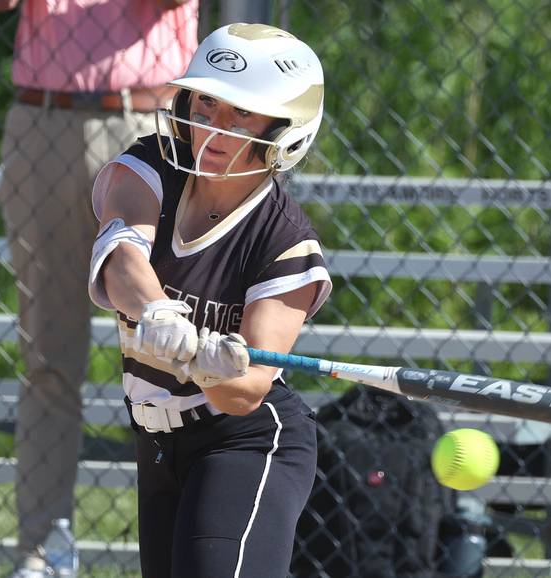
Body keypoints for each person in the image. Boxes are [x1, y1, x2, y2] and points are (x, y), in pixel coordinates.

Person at [88, 22, 331, 577]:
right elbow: (124, 254)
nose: (213, 128)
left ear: (285, 129)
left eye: (240, 114)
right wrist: (158, 311)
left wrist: (209, 362)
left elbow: (243, 394)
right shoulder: (148, 167)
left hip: (245, 443)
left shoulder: (286, 242)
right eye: (206, 102)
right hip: (155, 440)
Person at [0, 0, 198, 575]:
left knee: (173, 346)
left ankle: (194, 536)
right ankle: (45, 550)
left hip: (146, 122)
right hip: (42, 121)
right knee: (48, 356)